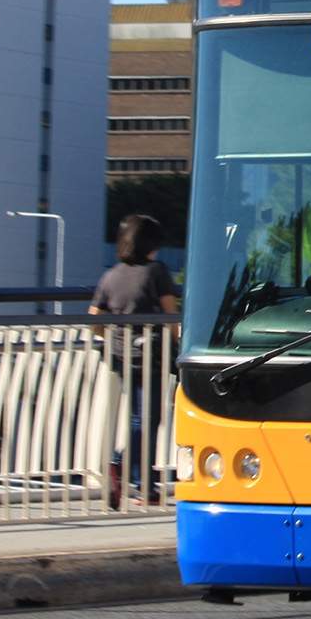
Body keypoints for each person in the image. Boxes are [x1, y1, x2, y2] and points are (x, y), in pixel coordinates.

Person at [90, 214, 179, 507]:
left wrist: (110, 338)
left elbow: (95, 320)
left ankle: (141, 482)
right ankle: (132, 474)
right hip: (152, 353)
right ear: (151, 244)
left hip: (120, 353)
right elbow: (170, 314)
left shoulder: (111, 274)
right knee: (149, 418)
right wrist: (178, 344)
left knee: (139, 417)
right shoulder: (156, 272)